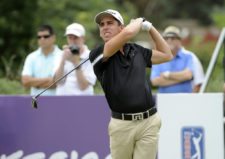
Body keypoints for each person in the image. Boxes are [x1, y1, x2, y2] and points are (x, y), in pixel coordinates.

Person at [89, 9, 173, 159]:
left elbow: (167, 55)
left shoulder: (136, 50)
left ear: (121, 27)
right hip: (122, 125)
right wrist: (139, 21)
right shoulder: (98, 53)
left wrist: (150, 28)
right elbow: (128, 33)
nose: (105, 27)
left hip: (149, 121)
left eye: (110, 23)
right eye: (102, 25)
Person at [150, 25, 204, 93]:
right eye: (166, 38)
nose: (169, 40)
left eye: (173, 38)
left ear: (179, 40)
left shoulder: (189, 56)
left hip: (185, 100)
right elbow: (154, 81)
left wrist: (167, 75)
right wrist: (181, 78)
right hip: (164, 101)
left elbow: (188, 75)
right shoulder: (159, 57)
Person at [54, 23, 96, 95]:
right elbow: (58, 82)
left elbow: (83, 86)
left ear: (83, 39)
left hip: (83, 102)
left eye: (76, 37)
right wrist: (63, 61)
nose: (73, 41)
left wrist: (76, 63)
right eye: (70, 37)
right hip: (62, 102)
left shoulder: (91, 56)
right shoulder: (61, 54)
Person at [21, 24, 62, 95]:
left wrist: (35, 84)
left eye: (46, 36)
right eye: (39, 37)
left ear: (53, 37)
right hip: (36, 103)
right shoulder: (31, 57)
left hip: (56, 102)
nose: (42, 39)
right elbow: (25, 81)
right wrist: (49, 80)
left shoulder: (62, 56)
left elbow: (58, 82)